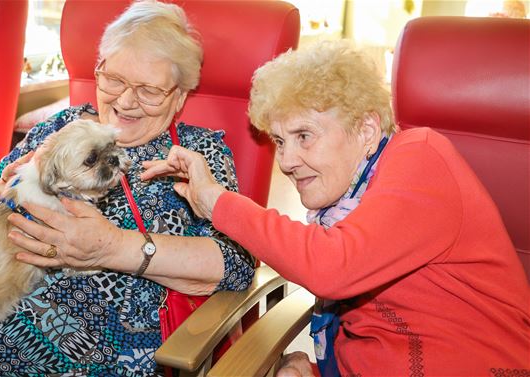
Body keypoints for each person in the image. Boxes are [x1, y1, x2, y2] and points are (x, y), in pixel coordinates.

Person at [139, 41, 530, 376]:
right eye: (279, 140)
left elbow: (332, 267)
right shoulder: (342, 204)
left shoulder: (422, 157)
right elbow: (366, 327)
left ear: (366, 130)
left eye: (304, 136)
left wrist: (218, 202)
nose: (287, 161)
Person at [0, 1, 254, 375]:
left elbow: (234, 263)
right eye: (114, 79)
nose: (125, 100)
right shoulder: (61, 128)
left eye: (148, 89)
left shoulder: (198, 153)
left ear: (179, 96)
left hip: (99, 361)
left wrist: (112, 247)